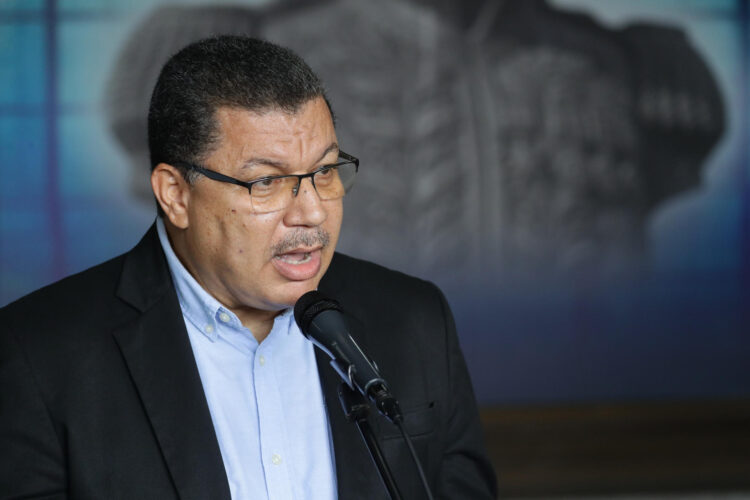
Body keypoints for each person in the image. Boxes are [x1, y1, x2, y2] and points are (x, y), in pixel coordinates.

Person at [0, 36, 496, 499]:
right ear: (176, 194)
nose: (312, 212)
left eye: (323, 172)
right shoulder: (39, 354)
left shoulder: (414, 319)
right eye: (267, 183)